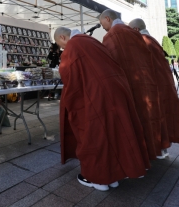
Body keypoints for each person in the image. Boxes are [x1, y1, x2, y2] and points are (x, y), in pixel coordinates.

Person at [53, 27, 150, 190]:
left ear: (62, 37)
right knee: (115, 132)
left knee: (93, 134)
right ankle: (114, 175)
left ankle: (98, 178)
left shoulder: (74, 44)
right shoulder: (92, 41)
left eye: (61, 45)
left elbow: (68, 73)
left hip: (94, 94)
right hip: (117, 89)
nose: (63, 49)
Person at [99, 10, 165, 160]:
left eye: (102, 23)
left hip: (128, 84)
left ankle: (137, 155)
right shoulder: (136, 33)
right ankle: (153, 150)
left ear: (107, 19)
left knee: (132, 120)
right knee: (148, 117)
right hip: (145, 83)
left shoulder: (113, 34)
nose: (102, 26)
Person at [129, 19, 179, 152]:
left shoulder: (142, 41)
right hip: (162, 83)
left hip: (152, 85)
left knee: (154, 116)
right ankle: (162, 147)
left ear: (136, 30)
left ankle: (159, 147)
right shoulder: (152, 40)